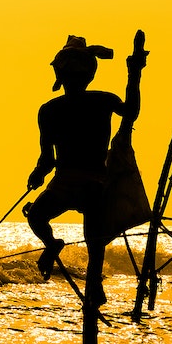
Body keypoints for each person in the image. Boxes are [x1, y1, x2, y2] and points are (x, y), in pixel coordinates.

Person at [25, 36, 145, 288]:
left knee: (37, 217)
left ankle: (53, 245)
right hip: (93, 183)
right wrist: (134, 74)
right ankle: (93, 284)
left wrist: (38, 174)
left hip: (72, 183)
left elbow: (47, 160)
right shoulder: (103, 100)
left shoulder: (50, 109)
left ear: (60, 77)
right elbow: (131, 112)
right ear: (90, 75)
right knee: (94, 242)